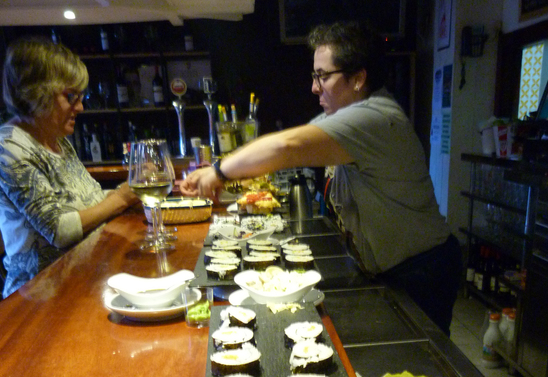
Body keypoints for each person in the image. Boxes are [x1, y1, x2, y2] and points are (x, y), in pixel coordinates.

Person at [179, 21, 462, 335]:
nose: (314, 87)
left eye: (323, 76)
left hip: (422, 271)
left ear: (358, 78)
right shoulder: (347, 117)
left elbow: (286, 147)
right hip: (393, 267)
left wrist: (219, 172)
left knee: (418, 360)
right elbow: (285, 149)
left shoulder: (374, 118)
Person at [0, 36, 138, 298]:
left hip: (79, 279)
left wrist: (130, 193)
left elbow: (90, 200)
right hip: (38, 296)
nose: (80, 107)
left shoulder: (57, 141)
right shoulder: (8, 145)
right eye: (71, 96)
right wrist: (120, 198)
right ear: (37, 93)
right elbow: (59, 230)